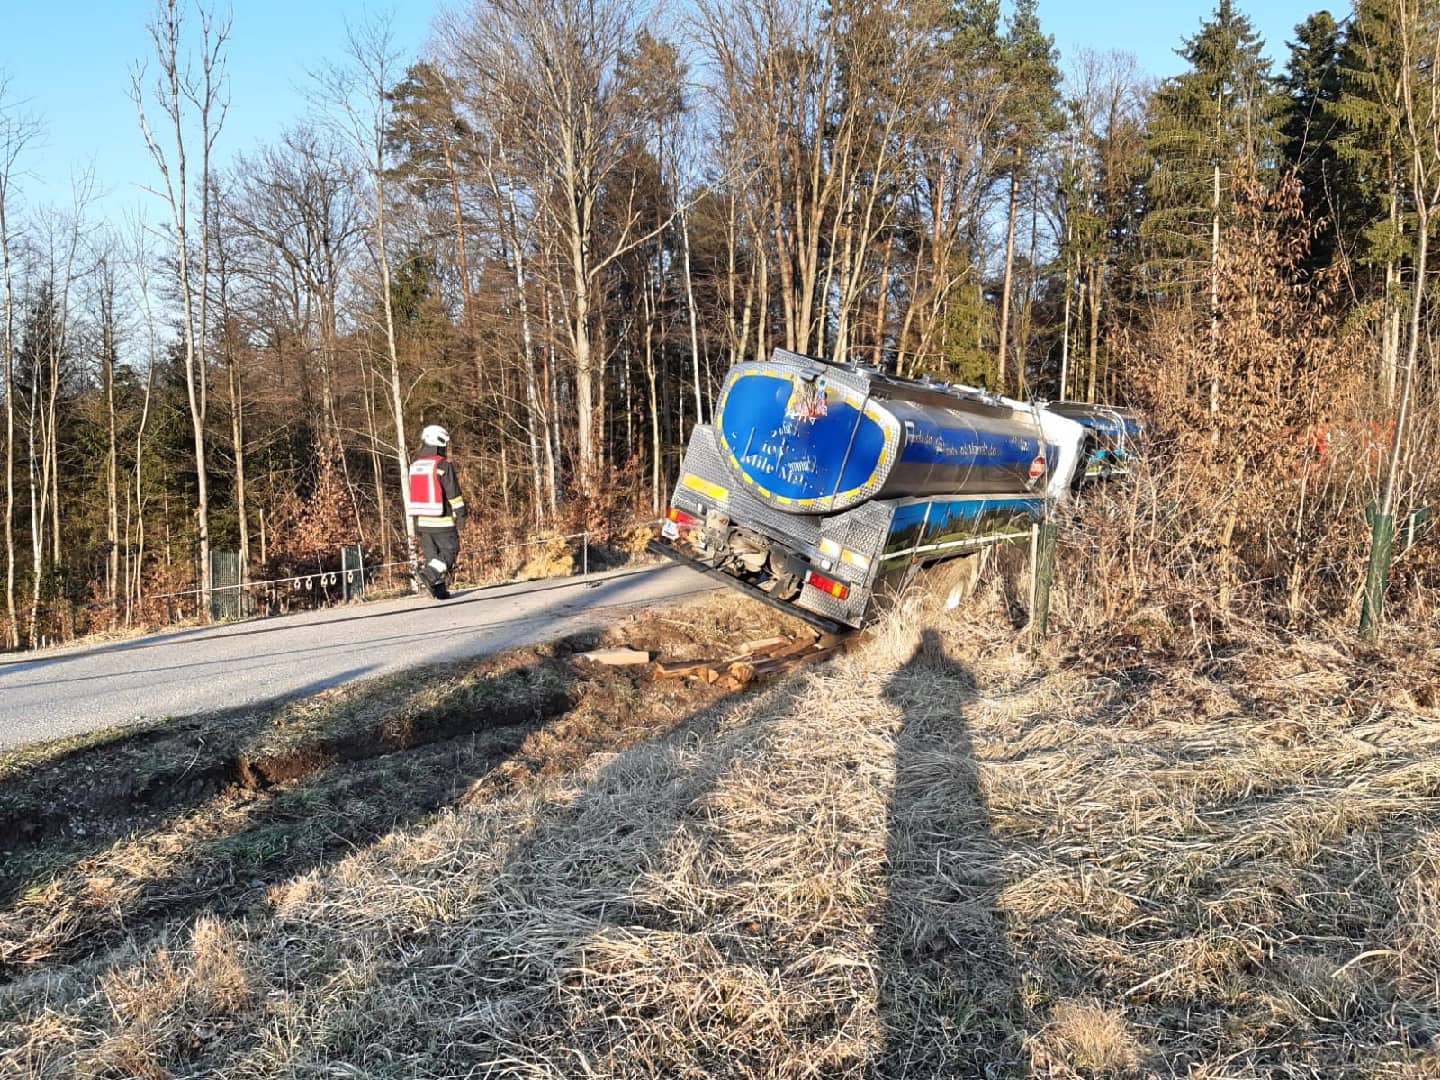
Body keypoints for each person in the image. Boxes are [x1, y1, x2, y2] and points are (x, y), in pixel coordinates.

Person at [406, 424, 466, 600]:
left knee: (433, 556)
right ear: (438, 443)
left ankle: (439, 591)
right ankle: (429, 575)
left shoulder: (416, 465)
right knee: (450, 550)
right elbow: (453, 493)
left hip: (422, 522)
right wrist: (461, 514)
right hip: (442, 520)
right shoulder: (443, 465)